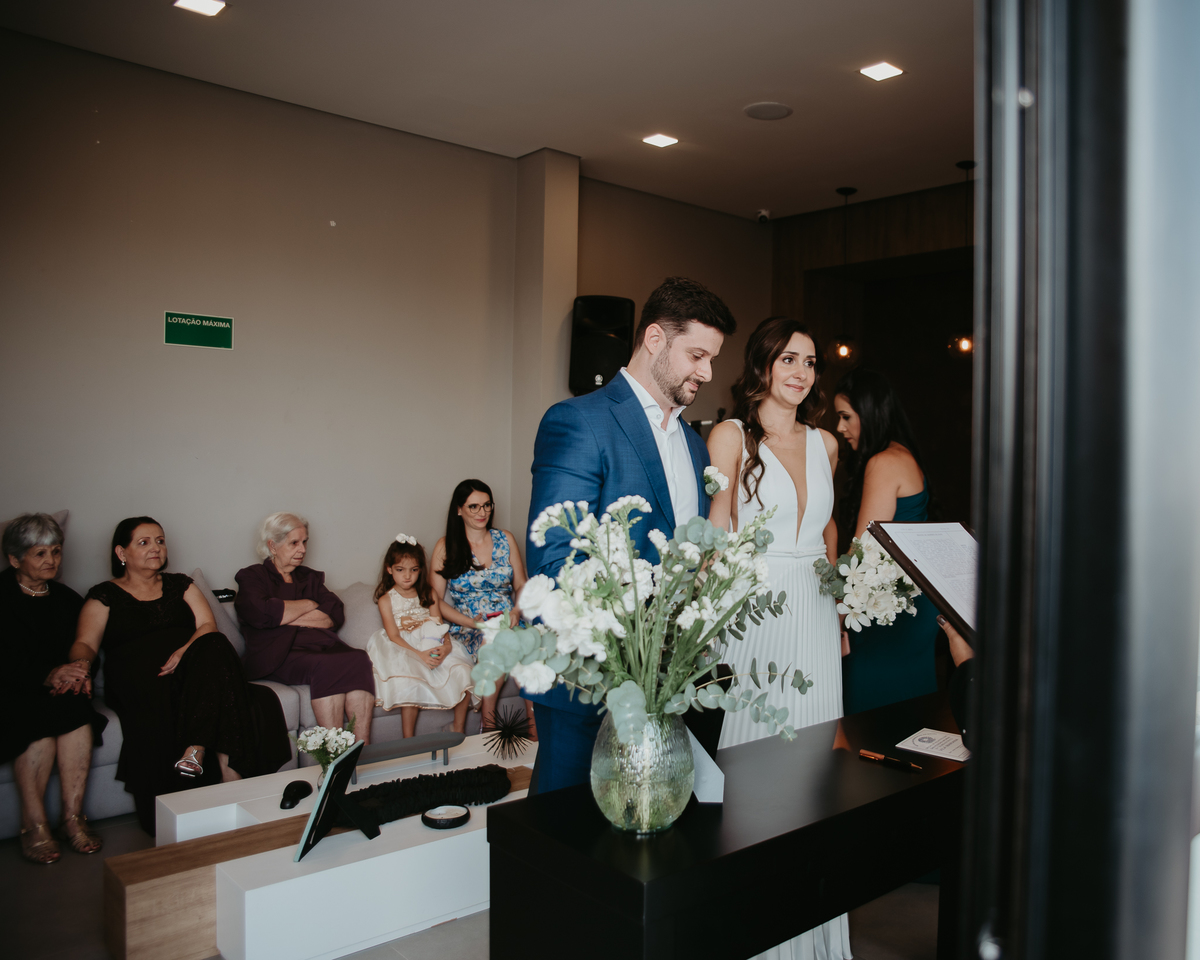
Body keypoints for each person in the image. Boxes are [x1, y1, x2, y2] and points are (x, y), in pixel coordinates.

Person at [525, 276, 736, 793]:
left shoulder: (696, 446)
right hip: (587, 683)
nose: (707, 373)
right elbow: (555, 563)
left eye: (712, 359)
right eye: (697, 356)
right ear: (655, 339)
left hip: (670, 687)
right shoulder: (578, 421)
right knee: (565, 827)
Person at [707, 317, 852, 960]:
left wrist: (839, 613)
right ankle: (750, 929)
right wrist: (704, 623)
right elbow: (716, 529)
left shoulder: (826, 444)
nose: (801, 372)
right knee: (751, 754)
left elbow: (828, 530)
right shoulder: (730, 436)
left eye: (810, 362)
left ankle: (808, 931)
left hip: (814, 614)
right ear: (762, 364)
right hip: (751, 611)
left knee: (813, 762)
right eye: (788, 358)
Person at [72, 517, 290, 834]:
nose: (156, 548)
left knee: (216, 644)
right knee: (231, 692)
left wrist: (185, 650)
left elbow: (207, 626)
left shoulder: (180, 584)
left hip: (191, 670)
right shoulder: (104, 595)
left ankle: (211, 761)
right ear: (121, 552)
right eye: (144, 542)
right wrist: (80, 664)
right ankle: (214, 770)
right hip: (138, 678)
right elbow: (86, 642)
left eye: (160, 541)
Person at [834, 368, 942, 714]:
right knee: (908, 710)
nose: (840, 427)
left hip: (890, 610)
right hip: (913, 602)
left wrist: (835, 611)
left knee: (873, 709)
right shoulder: (903, 453)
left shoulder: (883, 462)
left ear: (869, 413)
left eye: (846, 416)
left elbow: (862, 551)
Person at [2, 514, 107, 863]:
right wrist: (47, 675)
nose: (51, 560)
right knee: (36, 720)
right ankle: (34, 825)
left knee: (75, 709)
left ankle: (72, 819)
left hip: (59, 689)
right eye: (40, 553)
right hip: (13, 691)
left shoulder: (67, 599)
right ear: (15, 559)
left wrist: (81, 673)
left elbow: (86, 646)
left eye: (56, 551)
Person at [235, 512, 374, 743]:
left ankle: (363, 752)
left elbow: (333, 614)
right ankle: (335, 754)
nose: (302, 549)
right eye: (294, 543)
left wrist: (284, 615)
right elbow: (262, 612)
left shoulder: (308, 578)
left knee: (358, 658)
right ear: (273, 545)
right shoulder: (252, 576)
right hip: (276, 654)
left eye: (304, 542)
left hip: (317, 647)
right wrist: (309, 604)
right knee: (326, 665)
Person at [430, 480, 534, 733]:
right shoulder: (446, 546)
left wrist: (516, 611)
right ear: (459, 510)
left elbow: (522, 584)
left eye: (487, 505)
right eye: (474, 506)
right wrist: (472, 623)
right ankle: (489, 725)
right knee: (493, 642)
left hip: (509, 620)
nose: (482, 512)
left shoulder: (506, 538)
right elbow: (434, 600)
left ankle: (535, 729)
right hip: (471, 626)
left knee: (528, 651)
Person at [367, 535, 477, 737]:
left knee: (463, 671)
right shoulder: (386, 600)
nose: (407, 576)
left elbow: (439, 626)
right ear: (389, 569)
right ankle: (408, 739)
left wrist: (446, 647)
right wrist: (419, 655)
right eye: (400, 570)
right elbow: (393, 635)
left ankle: (458, 728)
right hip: (405, 647)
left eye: (414, 570)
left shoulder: (429, 593)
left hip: (432, 640)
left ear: (420, 570)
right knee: (411, 680)